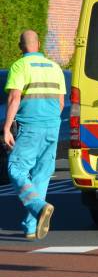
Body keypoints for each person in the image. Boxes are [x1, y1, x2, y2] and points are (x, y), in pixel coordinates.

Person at [3, 30, 65, 240]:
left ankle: (38, 207)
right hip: (53, 126)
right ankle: (31, 227)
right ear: (38, 44)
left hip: (30, 127)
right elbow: (61, 103)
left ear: (21, 47)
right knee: (42, 174)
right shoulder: (55, 68)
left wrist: (6, 128)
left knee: (16, 168)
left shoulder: (20, 66)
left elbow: (14, 98)